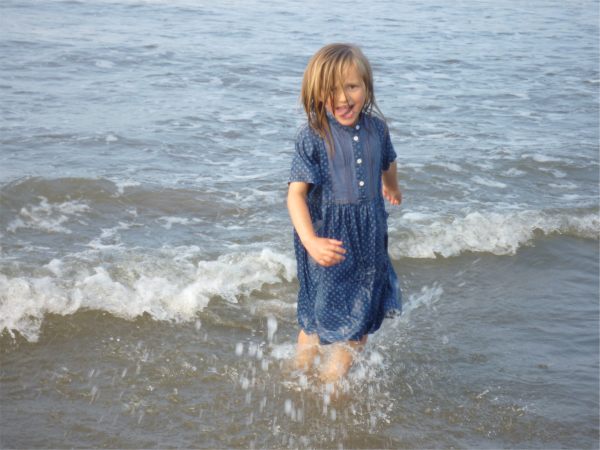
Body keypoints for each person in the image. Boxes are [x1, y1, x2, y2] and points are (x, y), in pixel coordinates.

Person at [287, 43, 402, 385]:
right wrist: (311, 242)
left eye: (352, 86)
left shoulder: (377, 129)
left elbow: (389, 160)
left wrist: (391, 187)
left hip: (368, 241)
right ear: (316, 93)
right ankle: (307, 378)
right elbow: (295, 195)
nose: (343, 97)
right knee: (314, 318)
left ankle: (326, 382)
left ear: (366, 87)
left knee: (360, 318)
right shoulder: (312, 137)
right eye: (332, 90)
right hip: (328, 243)